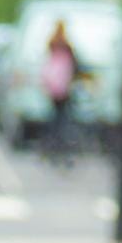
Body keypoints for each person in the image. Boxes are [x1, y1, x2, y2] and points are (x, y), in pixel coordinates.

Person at [40, 21, 79, 159]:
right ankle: (62, 143)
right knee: (63, 117)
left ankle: (51, 144)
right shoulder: (67, 46)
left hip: (53, 87)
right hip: (64, 86)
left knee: (54, 116)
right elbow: (75, 65)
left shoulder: (52, 43)